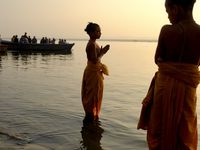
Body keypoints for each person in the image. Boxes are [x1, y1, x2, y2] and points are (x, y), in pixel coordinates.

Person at [137, 0, 200, 149]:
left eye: (168, 12)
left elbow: (157, 59)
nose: (168, 17)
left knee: (159, 132)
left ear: (175, 8)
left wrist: (169, 66)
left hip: (164, 89)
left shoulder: (167, 30)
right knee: (185, 130)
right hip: (188, 90)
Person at [81, 22, 110, 123]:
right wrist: (103, 53)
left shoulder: (94, 43)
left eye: (100, 31)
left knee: (94, 95)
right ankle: (89, 120)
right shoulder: (91, 45)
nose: (100, 33)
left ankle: (91, 119)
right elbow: (94, 60)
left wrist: (101, 53)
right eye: (98, 31)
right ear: (91, 33)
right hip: (93, 73)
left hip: (94, 72)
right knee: (92, 96)